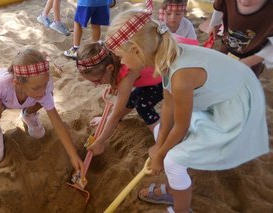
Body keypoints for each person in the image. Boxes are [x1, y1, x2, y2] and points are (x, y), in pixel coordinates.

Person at [105, 8, 269, 213]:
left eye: (121, 56)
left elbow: (181, 126)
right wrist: (160, 145)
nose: (121, 62)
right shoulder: (165, 53)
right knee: (161, 136)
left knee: (173, 160)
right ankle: (176, 187)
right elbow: (169, 105)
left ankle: (181, 208)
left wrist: (161, 154)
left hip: (234, 109)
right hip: (221, 96)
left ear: (137, 51)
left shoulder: (180, 76)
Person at [0, 49, 84, 176]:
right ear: (17, 83)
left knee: (47, 96)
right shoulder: (0, 84)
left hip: (28, 102)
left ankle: (28, 115)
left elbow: (57, 122)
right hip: (3, 103)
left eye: (44, 84)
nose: (42, 91)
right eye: (36, 88)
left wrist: (73, 156)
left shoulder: (42, 87)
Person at [76, 42, 163, 155]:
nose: (96, 85)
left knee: (143, 106)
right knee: (131, 98)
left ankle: (162, 141)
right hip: (151, 77)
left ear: (110, 68)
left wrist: (100, 141)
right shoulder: (114, 59)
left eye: (97, 80)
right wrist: (113, 84)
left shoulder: (126, 76)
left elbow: (115, 116)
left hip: (164, 79)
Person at [208, 0, 273, 77]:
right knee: (220, 71)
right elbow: (219, 7)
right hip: (226, 46)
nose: (244, 1)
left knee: (245, 80)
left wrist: (251, 61)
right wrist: (214, 24)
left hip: (253, 56)